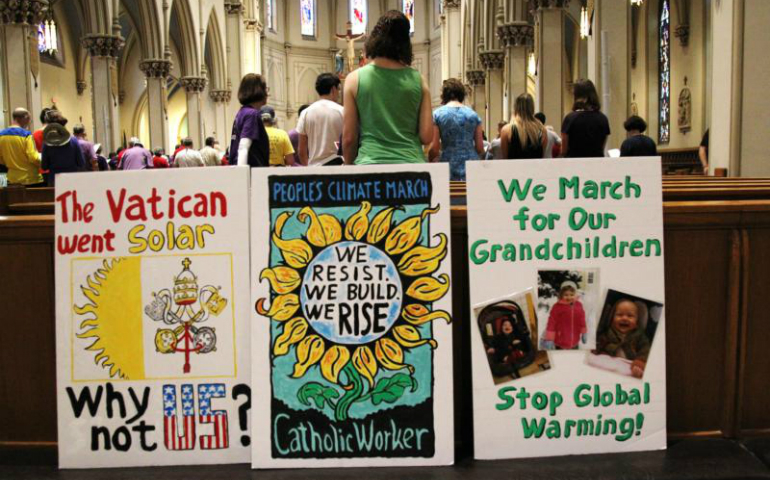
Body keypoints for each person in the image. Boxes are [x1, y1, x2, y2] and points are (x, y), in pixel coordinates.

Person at [343, 10, 433, 165]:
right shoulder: (419, 80)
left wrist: (349, 168)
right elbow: (426, 136)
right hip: (412, 169)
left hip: (370, 167)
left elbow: (349, 138)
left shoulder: (354, 79)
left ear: (374, 38)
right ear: (405, 43)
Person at [429, 78, 484, 180]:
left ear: (444, 95)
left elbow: (435, 148)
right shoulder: (474, 115)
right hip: (471, 166)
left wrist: (430, 160)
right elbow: (480, 147)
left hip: (447, 165)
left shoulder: (437, 114)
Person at [594, 298, 651, 378]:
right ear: (612, 318)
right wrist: (594, 350)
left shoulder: (639, 336)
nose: (624, 318)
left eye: (630, 316)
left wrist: (640, 362)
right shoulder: (608, 332)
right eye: (619, 315)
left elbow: (645, 350)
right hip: (608, 362)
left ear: (637, 321)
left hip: (629, 365)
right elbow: (598, 343)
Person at [298, 73, 344, 166]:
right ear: (333, 89)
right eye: (338, 89)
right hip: (337, 166)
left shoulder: (305, 113)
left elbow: (301, 150)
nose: (339, 93)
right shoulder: (341, 111)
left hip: (314, 168)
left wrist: (309, 169)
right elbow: (349, 140)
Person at [561, 79, 610, 158]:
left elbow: (564, 150)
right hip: (596, 163)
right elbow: (602, 147)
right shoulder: (603, 119)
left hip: (574, 164)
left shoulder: (570, 118)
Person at [229, 73, 270, 167]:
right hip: (251, 173)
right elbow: (243, 146)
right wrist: (243, 175)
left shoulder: (241, 112)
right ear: (258, 90)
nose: (267, 93)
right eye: (265, 89)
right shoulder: (252, 114)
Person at [0, 108, 43, 186]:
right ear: (25, 117)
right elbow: (33, 157)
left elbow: (1, 159)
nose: (29, 123)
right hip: (30, 179)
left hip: (12, 179)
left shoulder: (1, 135)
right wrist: (43, 160)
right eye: (29, 120)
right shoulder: (26, 135)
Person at [41, 112, 86, 186]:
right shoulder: (73, 141)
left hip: (55, 180)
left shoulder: (47, 143)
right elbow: (81, 163)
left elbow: (44, 166)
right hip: (72, 179)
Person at [541, 281, 586, 350]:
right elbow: (551, 322)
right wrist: (549, 339)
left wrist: (584, 332)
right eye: (566, 295)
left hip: (575, 340)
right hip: (560, 341)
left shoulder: (579, 305)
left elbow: (582, 319)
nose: (569, 297)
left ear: (575, 294)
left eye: (571, 294)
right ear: (561, 294)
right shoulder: (557, 307)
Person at [501, 93, 547, 160]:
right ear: (532, 108)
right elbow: (542, 156)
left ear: (516, 108)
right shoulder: (542, 130)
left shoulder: (506, 130)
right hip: (535, 169)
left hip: (514, 169)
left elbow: (505, 158)